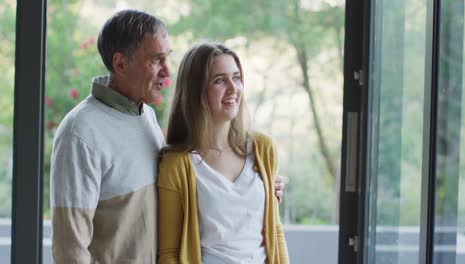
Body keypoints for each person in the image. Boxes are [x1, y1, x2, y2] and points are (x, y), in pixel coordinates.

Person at [50, 9, 285, 263]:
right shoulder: (80, 132)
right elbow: (69, 249)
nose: (167, 71)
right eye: (156, 60)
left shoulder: (146, 118)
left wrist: (260, 192)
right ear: (120, 64)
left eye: (167, 58)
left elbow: (183, 196)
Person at [157, 42, 290, 263]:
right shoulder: (177, 165)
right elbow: (170, 253)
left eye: (236, 78)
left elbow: (275, 232)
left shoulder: (263, 149)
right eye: (220, 80)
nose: (233, 88)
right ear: (195, 91)